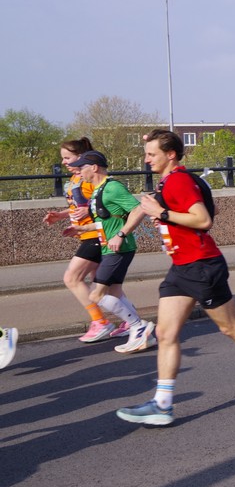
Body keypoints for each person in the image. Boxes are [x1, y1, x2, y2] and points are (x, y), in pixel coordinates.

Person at [116, 130, 235, 426]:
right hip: (181, 267)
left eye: (151, 154)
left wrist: (163, 214)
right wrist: (126, 231)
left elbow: (203, 219)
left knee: (230, 327)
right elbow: (161, 208)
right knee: (165, 334)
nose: (146, 159)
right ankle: (162, 404)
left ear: (170, 154)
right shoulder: (168, 181)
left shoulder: (179, 180)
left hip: (202, 266)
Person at [74, 150, 157, 353]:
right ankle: (136, 328)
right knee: (115, 292)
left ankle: (138, 327)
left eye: (82, 167)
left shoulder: (112, 187)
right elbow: (106, 221)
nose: (79, 172)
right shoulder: (98, 190)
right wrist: (82, 229)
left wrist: (120, 234)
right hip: (109, 248)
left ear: (94, 167)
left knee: (96, 294)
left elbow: (138, 209)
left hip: (119, 249)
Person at [44, 137, 119, 343]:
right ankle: (132, 322)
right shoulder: (75, 180)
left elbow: (107, 202)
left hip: (96, 236)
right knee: (104, 285)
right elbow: (78, 206)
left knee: (72, 278)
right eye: (63, 158)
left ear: (81, 157)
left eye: (68, 158)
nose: (64, 162)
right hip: (87, 235)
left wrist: (90, 210)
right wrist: (61, 215)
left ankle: (100, 322)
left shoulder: (89, 178)